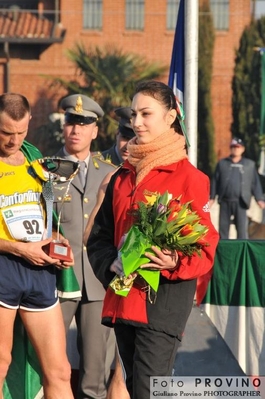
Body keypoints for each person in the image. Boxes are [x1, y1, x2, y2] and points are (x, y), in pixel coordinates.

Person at [87, 80, 219, 398]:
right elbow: (99, 239)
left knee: (149, 391)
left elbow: (206, 246)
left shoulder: (192, 178)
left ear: (171, 116)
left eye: (146, 114)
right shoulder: (121, 177)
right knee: (137, 388)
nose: (136, 122)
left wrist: (175, 262)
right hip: (122, 301)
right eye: (134, 114)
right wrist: (112, 266)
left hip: (163, 305)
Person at [0, 93, 74, 398]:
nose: (13, 140)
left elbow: (47, 216)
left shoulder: (37, 161)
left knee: (59, 371)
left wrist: (58, 243)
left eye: (20, 132)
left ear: (30, 122)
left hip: (39, 270)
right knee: (1, 362)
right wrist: (19, 249)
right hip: (4, 266)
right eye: (5, 132)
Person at [52, 94, 116, 399]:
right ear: (63, 127)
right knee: (50, 365)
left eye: (84, 123)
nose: (76, 129)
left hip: (97, 280)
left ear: (95, 130)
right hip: (58, 279)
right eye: (71, 122)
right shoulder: (47, 171)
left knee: (95, 371)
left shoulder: (110, 172)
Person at [209, 137, 265, 239]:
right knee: (223, 229)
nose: (236, 149)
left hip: (241, 202)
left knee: (242, 230)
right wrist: (211, 198)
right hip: (225, 201)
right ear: (230, 148)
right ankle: (224, 251)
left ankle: (242, 252)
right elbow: (215, 182)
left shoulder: (249, 165)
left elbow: (255, 183)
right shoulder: (222, 164)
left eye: (238, 147)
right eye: (233, 147)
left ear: (243, 149)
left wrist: (260, 199)